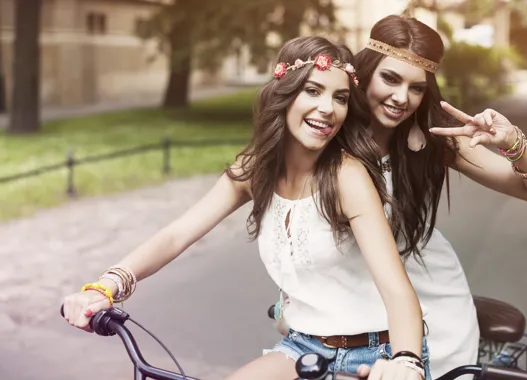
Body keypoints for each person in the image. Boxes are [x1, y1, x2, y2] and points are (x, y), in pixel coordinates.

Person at [61, 35, 431, 380]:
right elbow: (177, 235)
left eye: (340, 98)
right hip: (303, 346)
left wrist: (406, 362)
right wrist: (106, 287)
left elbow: (398, 290)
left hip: (375, 355)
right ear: (284, 95)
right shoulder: (255, 171)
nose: (327, 108)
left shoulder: (346, 177)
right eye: (313, 91)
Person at [353, 14, 527, 379]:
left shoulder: (436, 137)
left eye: (416, 88)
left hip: (429, 299)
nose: (401, 98)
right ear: (366, 71)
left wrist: (513, 142)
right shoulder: (329, 132)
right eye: (390, 78)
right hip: (349, 298)